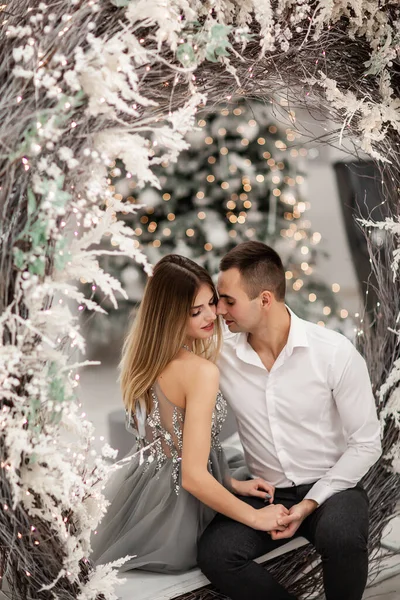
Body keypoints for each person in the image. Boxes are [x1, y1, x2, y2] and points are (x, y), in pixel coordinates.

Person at [197, 241, 382, 600]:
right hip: (266, 492)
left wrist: (311, 502)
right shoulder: (219, 356)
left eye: (228, 300)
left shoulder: (333, 353)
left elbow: (366, 442)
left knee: (343, 537)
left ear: (264, 299)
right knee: (216, 554)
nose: (218, 310)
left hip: (331, 487)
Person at [91, 253, 288, 573]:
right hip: (180, 513)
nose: (213, 314)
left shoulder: (141, 361)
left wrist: (230, 482)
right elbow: (193, 475)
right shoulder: (200, 372)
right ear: (169, 316)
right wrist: (255, 517)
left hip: (145, 497)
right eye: (197, 311)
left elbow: (175, 447)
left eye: (212, 302)